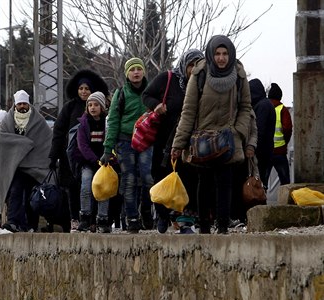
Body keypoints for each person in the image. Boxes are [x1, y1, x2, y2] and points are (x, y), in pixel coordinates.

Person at [170, 35, 252, 234]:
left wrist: (238, 132)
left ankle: (223, 227)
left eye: (225, 54)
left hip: (228, 139)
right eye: (217, 53)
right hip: (202, 140)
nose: (221, 58)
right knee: (204, 183)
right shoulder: (199, 74)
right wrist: (178, 144)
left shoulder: (239, 76)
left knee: (225, 183)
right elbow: (188, 111)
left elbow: (245, 107)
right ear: (211, 54)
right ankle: (204, 228)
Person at [142, 49, 204, 233]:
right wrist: (156, 105)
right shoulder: (168, 79)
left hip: (189, 141)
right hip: (164, 139)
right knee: (161, 176)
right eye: (190, 65)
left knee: (187, 179)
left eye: (197, 65)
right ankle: (162, 213)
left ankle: (184, 220)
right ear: (184, 65)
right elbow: (146, 95)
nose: (193, 70)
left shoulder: (202, 85)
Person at [49, 69, 109, 232]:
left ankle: (97, 220)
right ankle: (76, 218)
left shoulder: (104, 116)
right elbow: (59, 132)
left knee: (99, 188)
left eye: (87, 89)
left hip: (100, 158)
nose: (83, 92)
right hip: (74, 157)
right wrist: (53, 155)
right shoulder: (69, 108)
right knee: (76, 189)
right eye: (81, 88)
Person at [100, 57, 151, 234]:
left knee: (147, 177)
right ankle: (132, 218)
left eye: (139, 69)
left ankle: (146, 209)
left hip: (146, 141)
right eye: (132, 70)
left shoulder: (150, 92)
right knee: (129, 180)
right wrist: (108, 149)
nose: (136, 72)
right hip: (125, 141)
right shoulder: (120, 93)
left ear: (143, 71)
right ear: (127, 74)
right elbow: (113, 120)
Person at [0, 89, 52, 234]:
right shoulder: (8, 121)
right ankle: (13, 222)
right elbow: (3, 139)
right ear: (15, 105)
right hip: (15, 166)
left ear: (28, 104)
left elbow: (46, 139)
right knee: (15, 192)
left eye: (24, 104)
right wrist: (25, 143)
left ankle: (31, 224)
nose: (22, 107)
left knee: (30, 195)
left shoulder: (37, 120)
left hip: (34, 166)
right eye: (19, 104)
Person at [75, 91, 110, 233]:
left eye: (96, 104)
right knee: (85, 186)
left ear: (102, 107)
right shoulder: (83, 124)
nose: (93, 107)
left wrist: (107, 158)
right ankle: (85, 216)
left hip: (105, 163)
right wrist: (94, 160)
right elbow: (83, 145)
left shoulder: (107, 122)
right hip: (89, 162)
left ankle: (103, 218)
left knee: (104, 190)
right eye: (90, 105)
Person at [250, 78, 276, 190]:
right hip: (266, 150)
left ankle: (259, 205)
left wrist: (253, 147)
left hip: (262, 152)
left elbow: (259, 130)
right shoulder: (265, 104)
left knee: (258, 184)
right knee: (261, 183)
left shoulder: (262, 106)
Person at [266, 83, 292, 186]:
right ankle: (286, 200)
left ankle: (261, 201)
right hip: (280, 151)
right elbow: (287, 128)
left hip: (266, 151)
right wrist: (285, 142)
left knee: (263, 181)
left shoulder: (264, 107)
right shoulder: (283, 109)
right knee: (285, 182)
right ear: (280, 96)